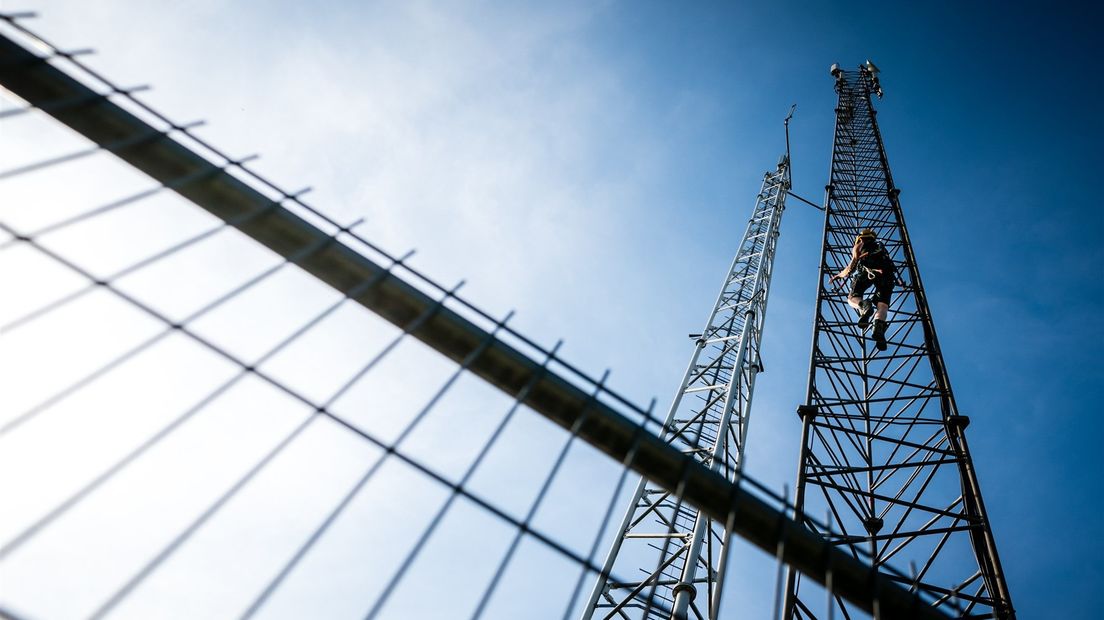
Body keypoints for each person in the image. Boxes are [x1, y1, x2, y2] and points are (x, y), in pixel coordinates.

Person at [829, 228, 896, 351]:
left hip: (866, 272)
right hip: (887, 275)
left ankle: (864, 305)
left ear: (860, 238)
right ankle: (878, 326)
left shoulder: (861, 244)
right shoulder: (880, 248)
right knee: (883, 306)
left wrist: (839, 275)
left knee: (852, 298)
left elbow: (852, 265)